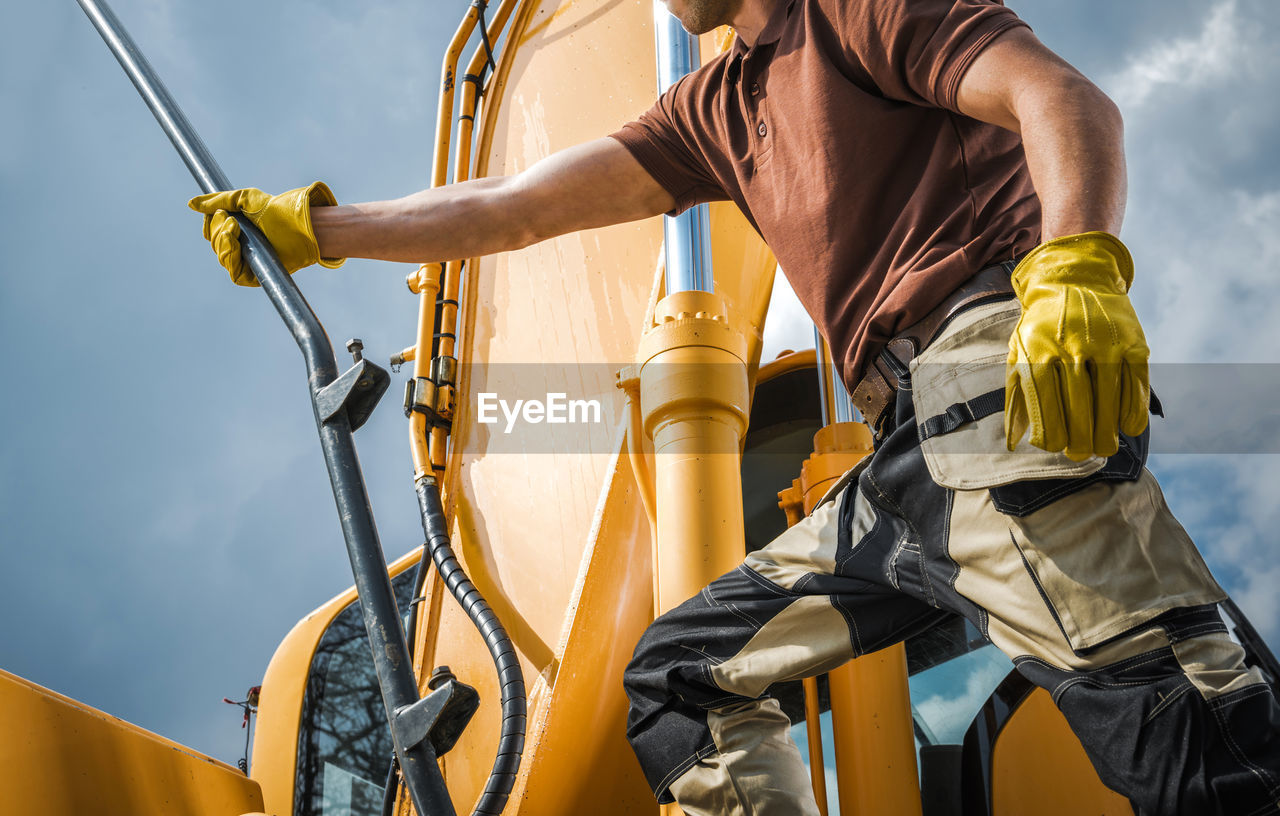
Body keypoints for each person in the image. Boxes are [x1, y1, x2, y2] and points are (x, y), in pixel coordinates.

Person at [190, 0, 1280, 813]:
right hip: (905, 462)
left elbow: (1060, 96)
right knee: (678, 678)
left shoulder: (856, 10)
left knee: (1190, 742)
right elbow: (509, 208)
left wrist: (1078, 265)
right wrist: (318, 233)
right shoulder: (709, 109)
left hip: (992, 385)